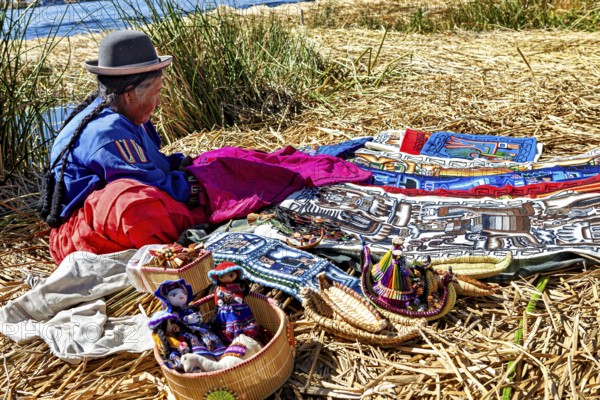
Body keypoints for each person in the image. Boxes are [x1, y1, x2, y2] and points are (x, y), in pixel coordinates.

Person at [39, 30, 204, 264]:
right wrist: (199, 188)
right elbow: (149, 186)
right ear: (129, 94)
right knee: (135, 204)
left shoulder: (126, 115)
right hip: (84, 234)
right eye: (156, 93)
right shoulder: (107, 132)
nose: (158, 102)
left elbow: (149, 163)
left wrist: (176, 163)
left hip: (111, 224)